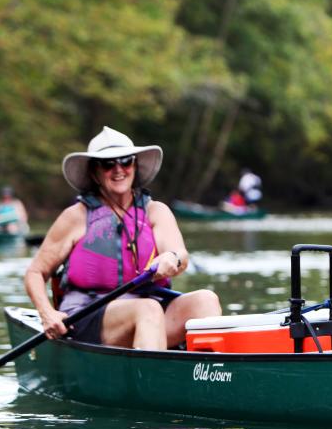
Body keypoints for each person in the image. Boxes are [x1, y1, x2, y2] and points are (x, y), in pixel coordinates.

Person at [24, 126, 221, 350]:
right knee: (147, 309)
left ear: (135, 166)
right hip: (87, 314)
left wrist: (171, 258)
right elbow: (35, 273)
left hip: (149, 310)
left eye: (126, 161)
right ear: (94, 173)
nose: (118, 170)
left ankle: (208, 377)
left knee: (206, 300)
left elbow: (181, 255)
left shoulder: (156, 211)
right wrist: (47, 313)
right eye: (108, 164)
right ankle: (151, 381)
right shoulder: (76, 216)